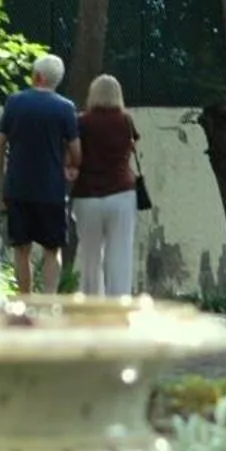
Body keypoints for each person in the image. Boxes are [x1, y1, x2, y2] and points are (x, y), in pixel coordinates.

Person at [0, 53, 80, 294]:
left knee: (21, 250)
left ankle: (25, 302)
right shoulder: (65, 108)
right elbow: (77, 152)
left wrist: (2, 185)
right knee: (53, 251)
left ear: (37, 76)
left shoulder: (14, 102)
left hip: (18, 188)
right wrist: (69, 166)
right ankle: (49, 303)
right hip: (51, 191)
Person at [73, 74, 140, 298]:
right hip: (121, 193)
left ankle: (92, 302)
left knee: (91, 255)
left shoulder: (81, 121)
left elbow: (75, 153)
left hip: (87, 194)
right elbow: (131, 148)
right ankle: (119, 304)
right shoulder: (126, 120)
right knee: (120, 252)